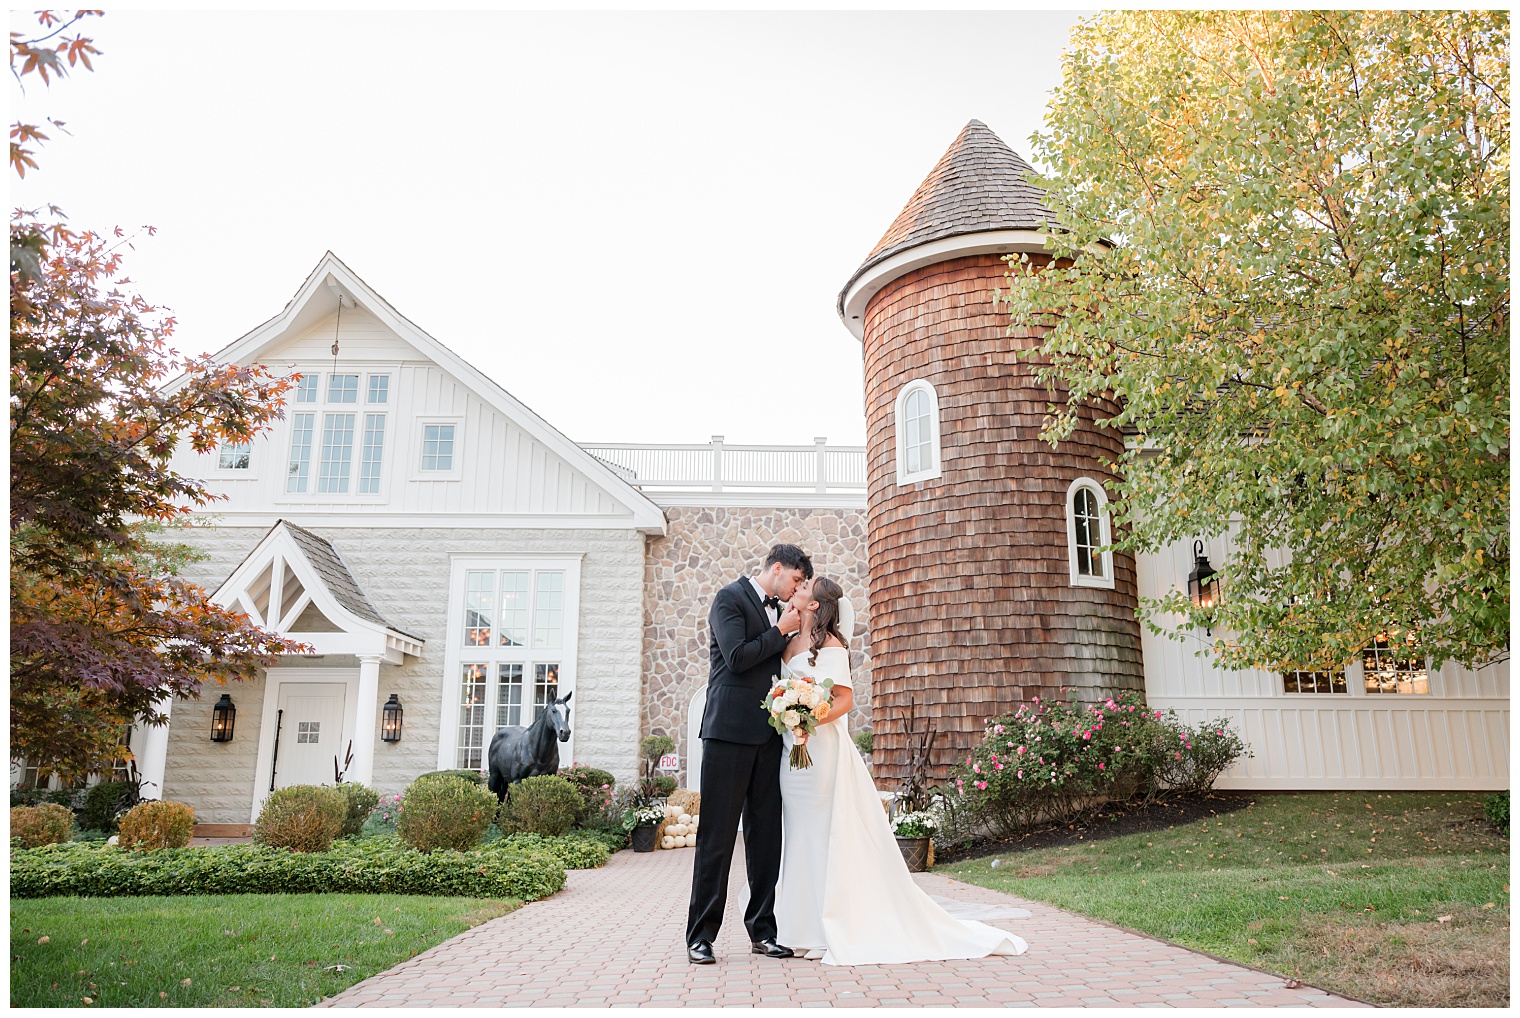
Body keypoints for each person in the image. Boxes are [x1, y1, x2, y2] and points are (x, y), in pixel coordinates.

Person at [773, 576, 1029, 965]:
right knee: (798, 835)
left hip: (822, 751)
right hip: (792, 753)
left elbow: (844, 700)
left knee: (823, 835)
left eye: (806, 586)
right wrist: (787, 712)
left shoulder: (832, 646)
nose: (800, 587)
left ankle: (828, 929)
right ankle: (799, 929)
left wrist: (810, 718)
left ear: (814, 605)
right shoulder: (788, 640)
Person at [685, 544, 813, 965]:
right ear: (777, 568)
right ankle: (701, 937)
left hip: (767, 738)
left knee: (765, 839)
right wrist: (779, 632)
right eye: (795, 579)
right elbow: (738, 658)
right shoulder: (729, 598)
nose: (796, 587)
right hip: (726, 736)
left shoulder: (781, 612)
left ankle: (763, 931)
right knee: (717, 839)